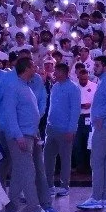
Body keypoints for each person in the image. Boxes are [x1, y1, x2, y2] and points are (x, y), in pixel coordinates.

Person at [0, 54, 49, 212]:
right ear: (26, 68)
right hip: (19, 137)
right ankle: (35, 210)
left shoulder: (25, 86)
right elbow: (10, 113)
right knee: (28, 171)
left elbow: (30, 113)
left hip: (29, 134)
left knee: (20, 174)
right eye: (33, 66)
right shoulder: (13, 87)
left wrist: (33, 133)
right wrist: (18, 135)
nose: (35, 68)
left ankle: (11, 210)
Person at [83, 54, 106, 212]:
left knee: (96, 161)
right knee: (105, 162)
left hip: (105, 126)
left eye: (97, 65)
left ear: (105, 66)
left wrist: (100, 116)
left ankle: (96, 197)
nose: (94, 68)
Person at [43, 59, 81, 198]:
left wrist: (71, 129)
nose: (54, 73)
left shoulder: (73, 88)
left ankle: (65, 186)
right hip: (51, 128)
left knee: (65, 158)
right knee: (48, 158)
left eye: (57, 71)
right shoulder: (55, 87)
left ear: (64, 73)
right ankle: (49, 185)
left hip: (65, 129)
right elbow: (51, 107)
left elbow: (75, 110)